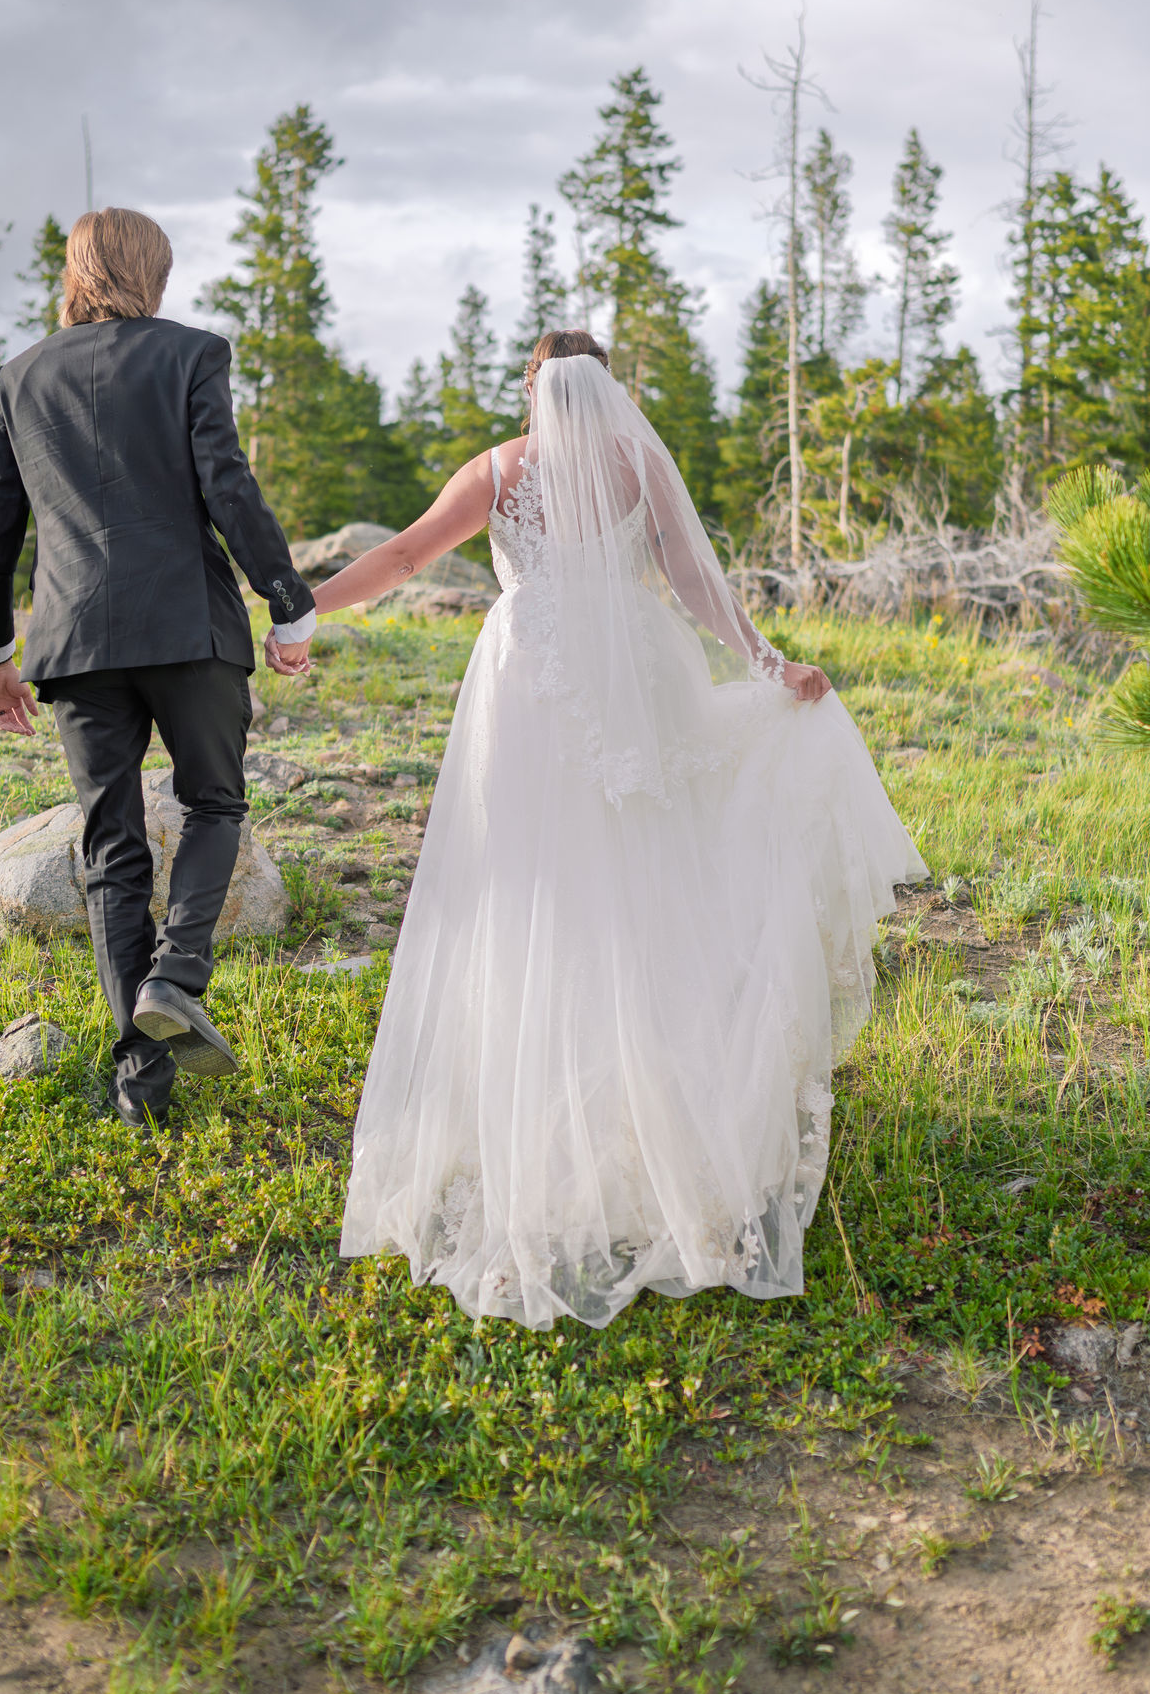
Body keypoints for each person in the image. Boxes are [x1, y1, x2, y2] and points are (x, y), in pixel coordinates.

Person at [284, 330, 926, 1329]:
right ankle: (669, 1125)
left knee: (536, 890)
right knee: (649, 886)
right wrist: (768, 663)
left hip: (531, 688)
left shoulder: (497, 469)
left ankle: (552, 1130)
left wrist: (303, 609)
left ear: (534, 388)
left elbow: (409, 554)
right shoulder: (639, 466)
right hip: (637, 677)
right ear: (607, 392)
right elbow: (696, 585)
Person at [0, 207, 316, 1128]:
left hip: (75, 644)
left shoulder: (19, 374)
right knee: (214, 802)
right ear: (153, 272)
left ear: (77, 271)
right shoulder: (192, 354)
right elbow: (227, 485)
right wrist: (287, 603)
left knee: (112, 848)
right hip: (188, 628)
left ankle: (138, 1085)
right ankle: (178, 976)